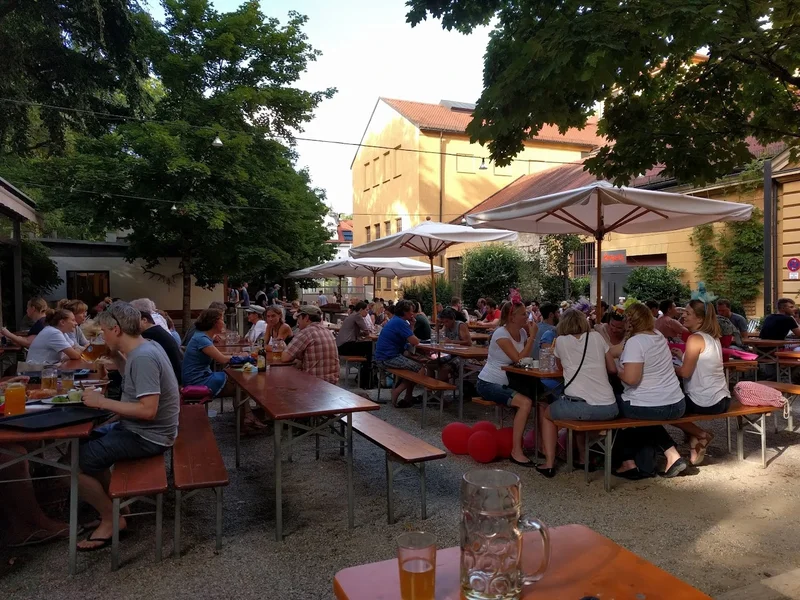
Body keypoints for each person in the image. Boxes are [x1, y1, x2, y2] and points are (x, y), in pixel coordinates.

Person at [76, 301, 180, 551]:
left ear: (116, 329)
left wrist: (102, 402)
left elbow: (148, 410)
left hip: (150, 436)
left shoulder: (144, 357)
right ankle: (115, 505)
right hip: (141, 429)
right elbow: (135, 383)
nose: (101, 335)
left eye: (103, 331)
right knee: (84, 442)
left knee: (72, 464)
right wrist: (116, 358)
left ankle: (111, 519)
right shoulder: (143, 348)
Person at [608, 303, 687, 479]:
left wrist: (614, 368)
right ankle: (671, 454)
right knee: (645, 416)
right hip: (676, 402)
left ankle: (628, 461)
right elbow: (615, 350)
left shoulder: (636, 342)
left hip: (652, 405)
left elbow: (631, 379)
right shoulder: (657, 335)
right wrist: (602, 351)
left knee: (612, 407)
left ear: (630, 322)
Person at [541, 310, 619, 470]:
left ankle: (548, 462)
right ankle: (583, 458)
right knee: (576, 410)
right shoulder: (597, 337)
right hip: (610, 408)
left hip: (582, 407)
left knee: (548, 414)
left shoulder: (561, 341)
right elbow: (612, 369)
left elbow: (561, 369)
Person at [183, 308, 265, 433]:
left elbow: (222, 357)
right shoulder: (202, 339)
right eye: (222, 319)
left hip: (197, 376)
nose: (224, 322)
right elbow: (223, 359)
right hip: (198, 380)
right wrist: (245, 357)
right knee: (242, 385)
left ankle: (246, 418)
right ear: (214, 322)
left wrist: (237, 356)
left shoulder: (201, 336)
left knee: (239, 380)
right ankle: (246, 420)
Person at [476, 301, 536, 468]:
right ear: (512, 317)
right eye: (523, 314)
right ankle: (516, 451)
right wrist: (532, 338)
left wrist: (528, 338)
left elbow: (522, 362)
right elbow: (518, 358)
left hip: (511, 380)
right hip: (488, 382)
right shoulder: (501, 334)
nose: (527, 316)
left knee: (541, 397)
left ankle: (542, 445)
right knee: (525, 403)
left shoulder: (522, 333)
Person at [672, 300, 731, 465]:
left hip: (705, 400)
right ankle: (694, 441)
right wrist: (680, 356)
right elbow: (701, 362)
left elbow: (685, 372)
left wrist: (665, 367)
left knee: (664, 408)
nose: (683, 315)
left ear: (700, 319)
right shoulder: (712, 337)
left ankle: (701, 435)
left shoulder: (695, 338)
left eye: (688, 313)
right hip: (721, 398)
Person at [374, 300, 424, 407]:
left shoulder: (396, 320)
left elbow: (408, 339)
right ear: (404, 312)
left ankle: (408, 397)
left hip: (383, 355)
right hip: (387, 358)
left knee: (414, 366)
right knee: (420, 369)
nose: (412, 313)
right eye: (411, 311)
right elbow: (414, 341)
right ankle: (398, 391)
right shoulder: (400, 323)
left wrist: (412, 325)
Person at [281, 305, 339, 384]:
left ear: (306, 318)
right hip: (332, 383)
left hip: (314, 383)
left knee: (281, 381)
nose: (297, 323)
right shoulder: (327, 331)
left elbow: (285, 357)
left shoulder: (306, 332)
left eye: (299, 318)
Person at [139, 310, 183, 385]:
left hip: (170, 379)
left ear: (144, 320)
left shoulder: (149, 334)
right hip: (176, 375)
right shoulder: (158, 330)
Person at [336, 301, 373, 388]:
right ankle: (366, 378)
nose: (367, 312)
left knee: (368, 348)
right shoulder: (357, 316)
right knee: (370, 347)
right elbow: (367, 330)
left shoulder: (352, 315)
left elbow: (355, 332)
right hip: (346, 346)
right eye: (366, 310)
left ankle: (364, 376)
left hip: (341, 346)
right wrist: (368, 332)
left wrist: (363, 334)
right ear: (360, 310)